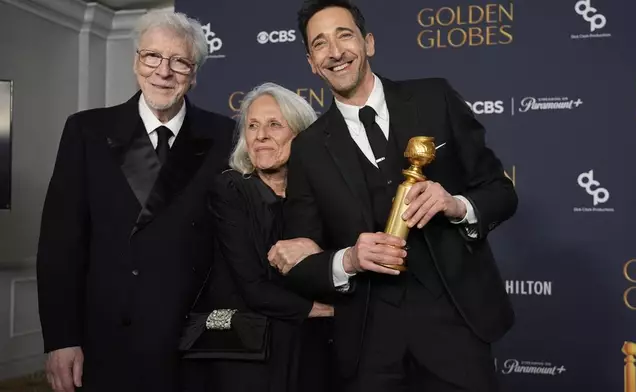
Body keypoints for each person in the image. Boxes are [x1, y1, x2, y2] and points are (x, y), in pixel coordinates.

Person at [268, 1, 518, 391]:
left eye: (344, 35)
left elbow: (501, 193)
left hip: (456, 329)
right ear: (311, 63)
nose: (335, 52)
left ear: (368, 43)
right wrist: (348, 258)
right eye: (320, 44)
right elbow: (302, 261)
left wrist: (456, 205)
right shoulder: (308, 149)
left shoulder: (435, 99)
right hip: (368, 346)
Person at [35, 10, 235, 392]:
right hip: (108, 339)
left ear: (193, 75)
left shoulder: (224, 135)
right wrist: (61, 338)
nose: (164, 71)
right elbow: (61, 244)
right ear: (136, 62)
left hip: (192, 341)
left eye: (179, 61)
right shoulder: (88, 131)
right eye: (153, 57)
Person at [180, 82, 334, 392]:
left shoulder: (321, 194)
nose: (260, 135)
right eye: (252, 126)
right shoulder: (230, 189)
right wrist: (332, 310)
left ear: (301, 133)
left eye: (274, 124)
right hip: (247, 354)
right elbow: (253, 285)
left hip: (311, 350)